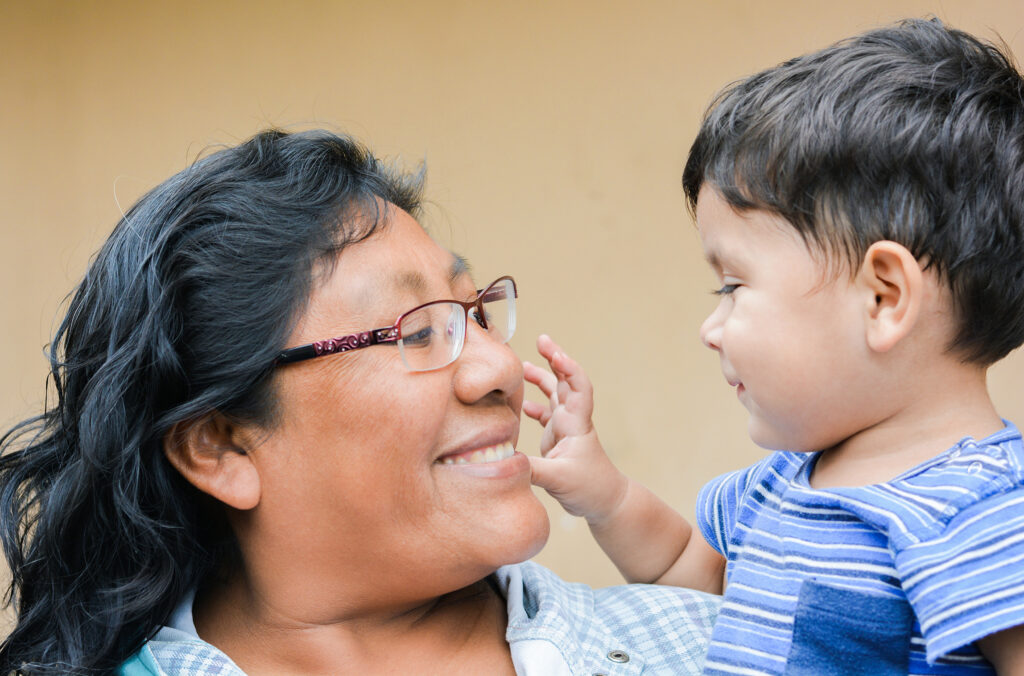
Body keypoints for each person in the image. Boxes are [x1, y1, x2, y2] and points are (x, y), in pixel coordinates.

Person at [0, 129, 719, 675]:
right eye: (417, 331)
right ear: (220, 446)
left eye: (477, 314)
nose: (499, 367)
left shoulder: (709, 647)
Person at [524, 18, 1024, 675]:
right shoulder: (778, 487)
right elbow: (689, 574)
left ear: (884, 298)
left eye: (732, 285)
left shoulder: (984, 511)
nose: (712, 327)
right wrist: (606, 495)